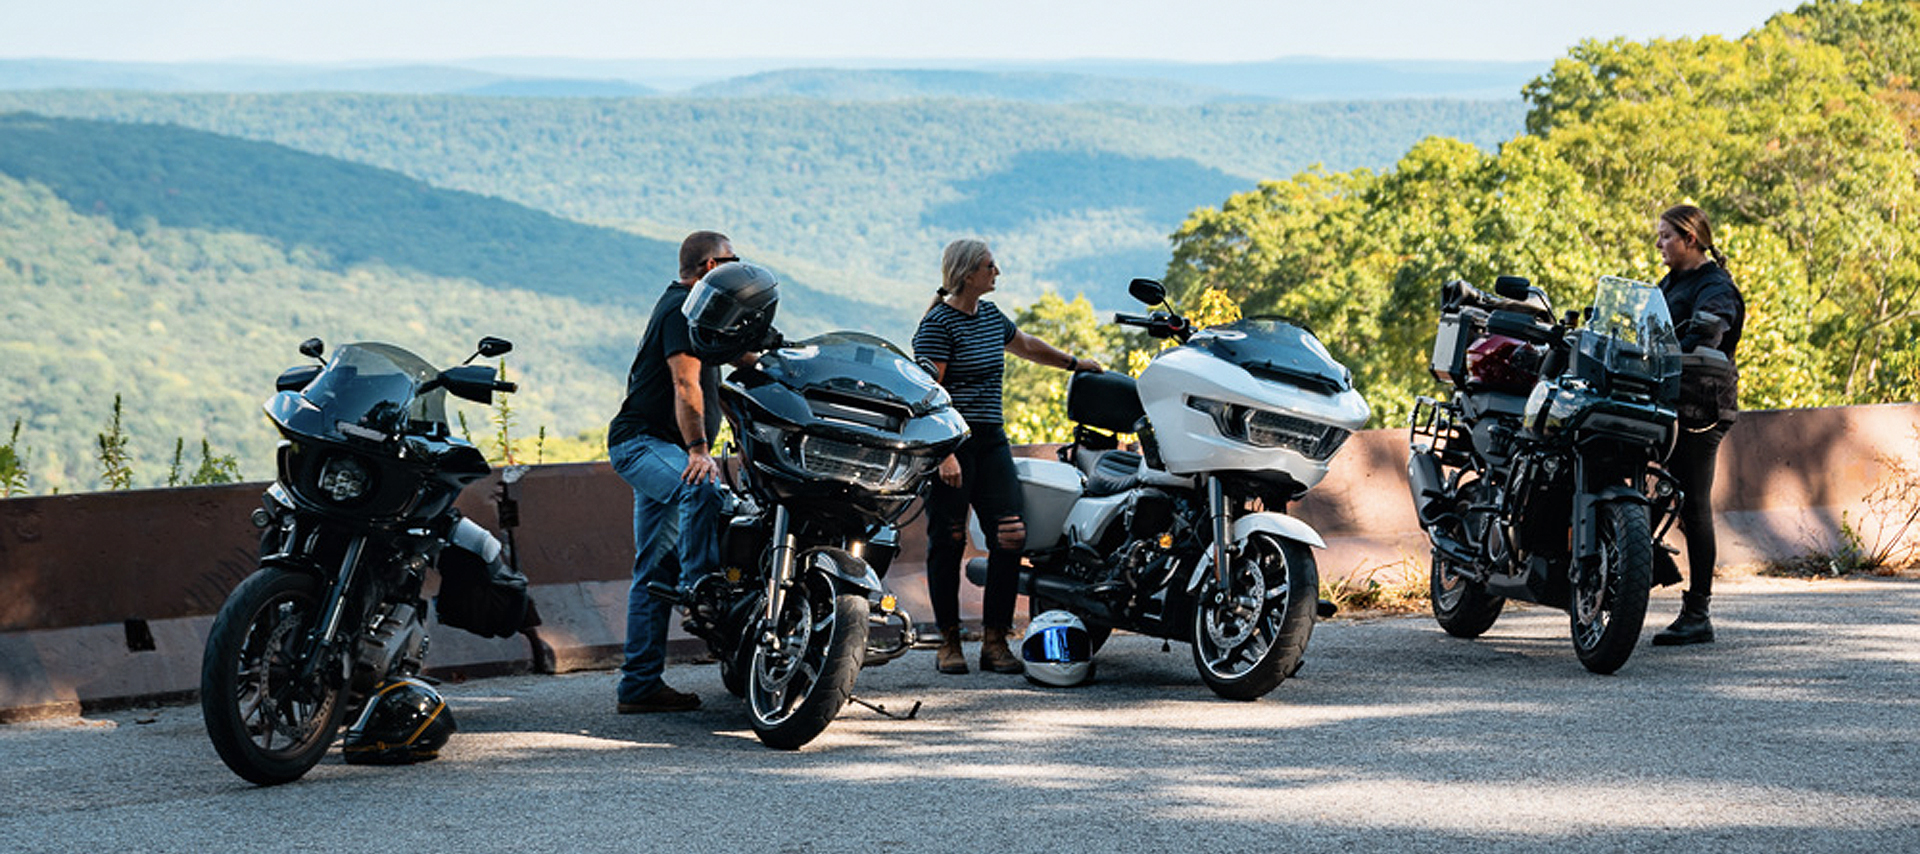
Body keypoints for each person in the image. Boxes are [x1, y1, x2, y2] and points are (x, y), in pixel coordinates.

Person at [912, 238, 1104, 675]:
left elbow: (1028, 346)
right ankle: (949, 641)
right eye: (989, 266)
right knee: (949, 537)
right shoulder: (938, 325)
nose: (997, 272)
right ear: (967, 274)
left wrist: (1075, 363)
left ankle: (996, 640)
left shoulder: (990, 317)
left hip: (991, 440)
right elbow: (927, 394)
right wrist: (943, 454)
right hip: (952, 443)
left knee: (1011, 535)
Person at [606, 231, 740, 712]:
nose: (736, 268)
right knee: (704, 487)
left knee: (651, 571)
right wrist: (699, 450)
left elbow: (740, 363)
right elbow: (687, 386)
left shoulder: (700, 312)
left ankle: (639, 686)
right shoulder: (682, 308)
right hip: (643, 444)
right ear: (708, 267)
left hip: (657, 447)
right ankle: (701, 587)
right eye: (730, 261)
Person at [1652, 204, 1745, 647]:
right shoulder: (1670, 283)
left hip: (1701, 410)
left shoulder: (1716, 287)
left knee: (1693, 506)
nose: (1659, 244)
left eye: (1667, 236)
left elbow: (1706, 334)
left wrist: (1678, 346)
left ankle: (1697, 613)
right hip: (1664, 403)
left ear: (1691, 239)